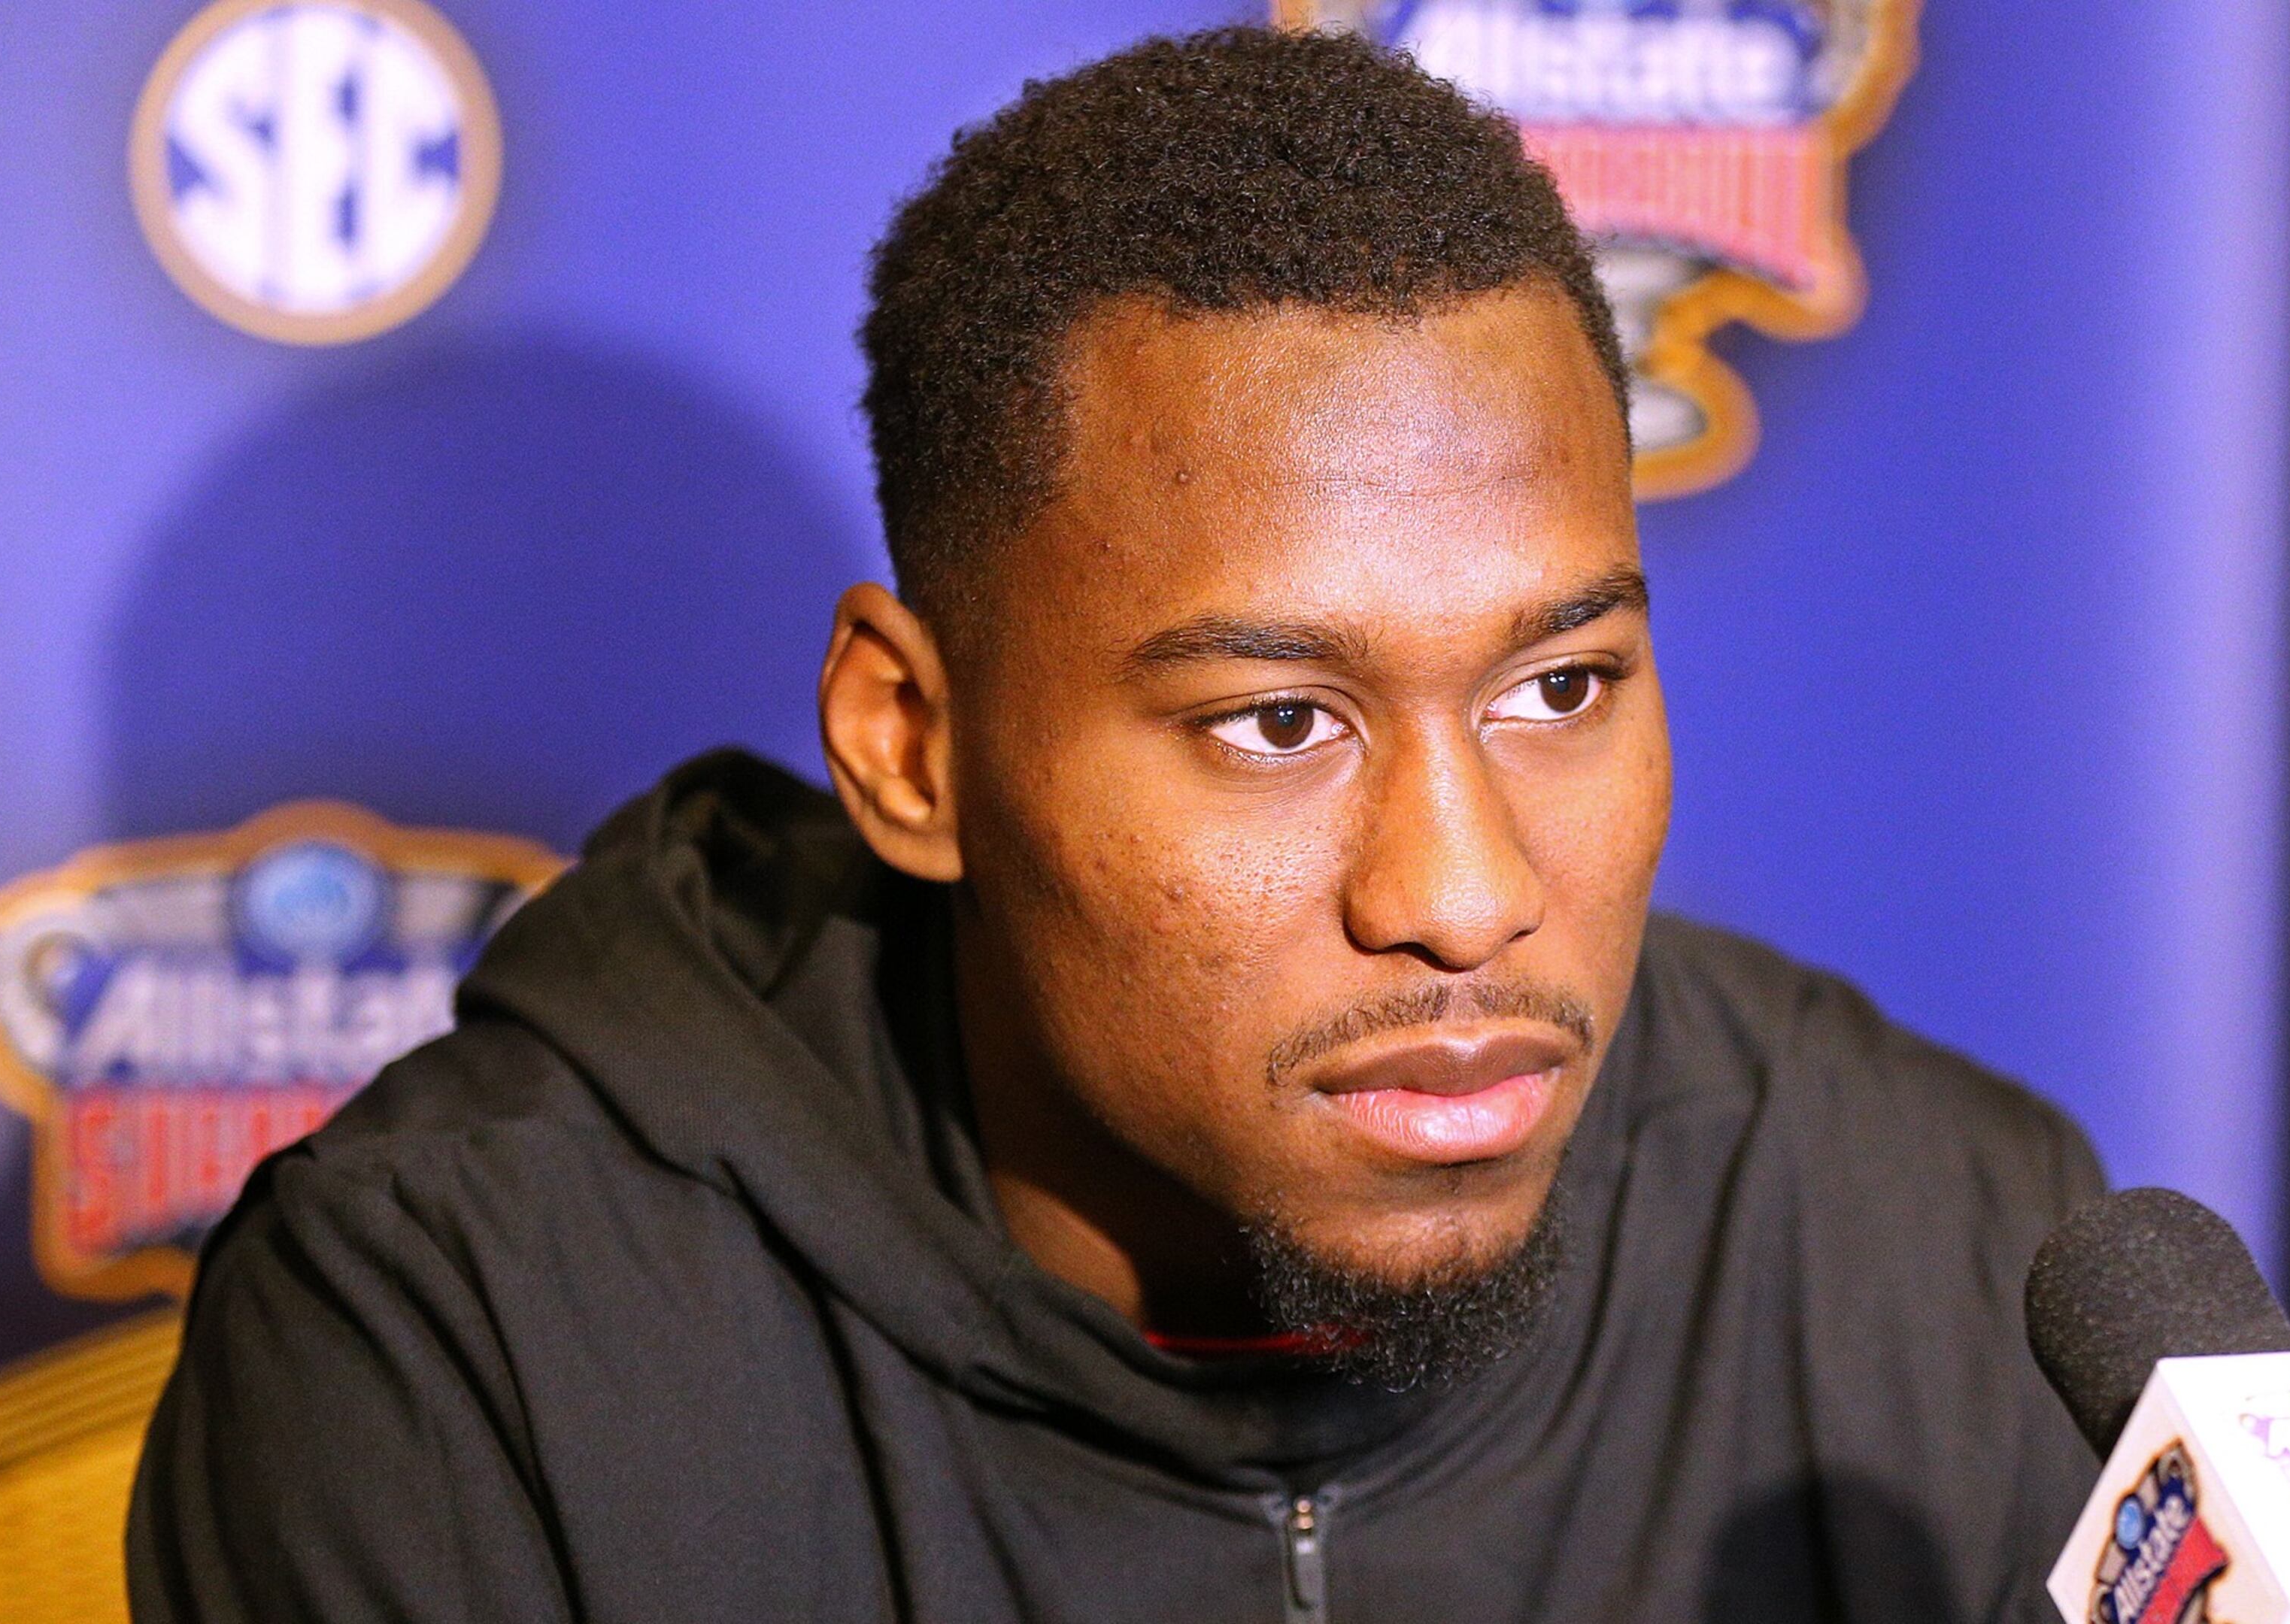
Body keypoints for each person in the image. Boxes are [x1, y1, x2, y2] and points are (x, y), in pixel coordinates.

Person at [129, 26, 2103, 1623]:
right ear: (912, 747)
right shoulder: (468, 1336)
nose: (1466, 894)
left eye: (1557, 690)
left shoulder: (1925, 1245)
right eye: (1273, 723)